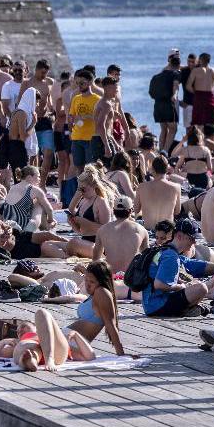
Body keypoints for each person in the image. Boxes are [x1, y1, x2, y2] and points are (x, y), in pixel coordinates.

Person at [142, 219, 214, 317]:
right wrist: (183, 286)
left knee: (197, 285)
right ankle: (186, 309)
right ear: (179, 236)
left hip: (152, 304)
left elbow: (199, 266)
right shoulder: (170, 256)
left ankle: (188, 309)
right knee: (201, 288)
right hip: (157, 306)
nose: (194, 243)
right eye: (191, 239)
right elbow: (159, 284)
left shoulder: (167, 251)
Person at [0, 308, 95, 372]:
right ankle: (30, 360)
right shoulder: (18, 342)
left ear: (35, 326)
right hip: (29, 347)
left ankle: (43, 359)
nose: (20, 331)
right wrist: (3, 342)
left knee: (41, 312)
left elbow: (90, 356)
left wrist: (76, 335)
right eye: (18, 332)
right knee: (26, 347)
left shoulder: (49, 336)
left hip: (55, 353)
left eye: (24, 326)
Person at [65, 70, 99, 208]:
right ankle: (80, 196)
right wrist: (70, 123)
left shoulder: (97, 99)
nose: (80, 85)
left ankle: (94, 196)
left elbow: (99, 119)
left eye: (83, 83)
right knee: (78, 168)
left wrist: (85, 117)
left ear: (90, 82)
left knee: (91, 169)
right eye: (78, 83)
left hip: (91, 138)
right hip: (77, 137)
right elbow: (71, 115)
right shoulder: (76, 98)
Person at [91, 195, 148, 274]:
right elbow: (146, 257)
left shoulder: (102, 230)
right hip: (131, 277)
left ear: (113, 211)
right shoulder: (141, 230)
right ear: (131, 210)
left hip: (110, 276)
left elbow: (95, 260)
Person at [176, 126, 213, 192]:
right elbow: (210, 168)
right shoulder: (206, 150)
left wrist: (181, 172)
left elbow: (177, 166)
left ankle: (186, 187)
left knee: (172, 176)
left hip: (190, 180)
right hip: (203, 180)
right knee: (213, 177)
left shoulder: (186, 150)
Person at [188, 53, 214, 128]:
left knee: (198, 124)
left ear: (201, 60)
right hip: (210, 97)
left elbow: (188, 86)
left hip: (199, 97)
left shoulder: (195, 71)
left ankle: (201, 139)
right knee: (212, 123)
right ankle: (211, 138)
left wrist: (196, 93)